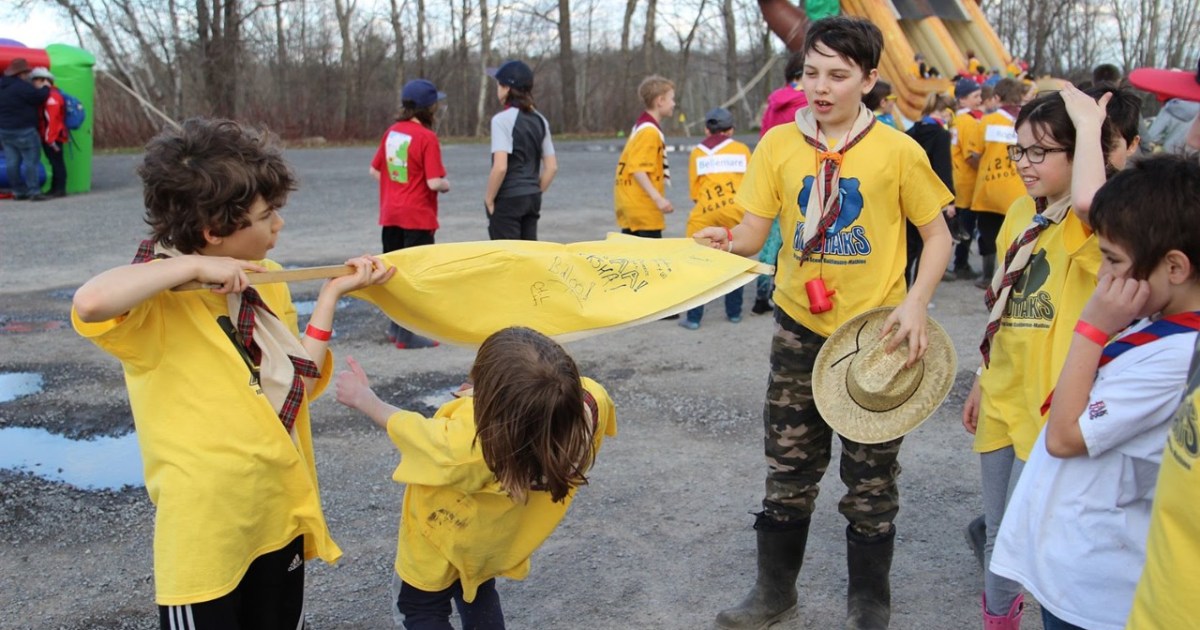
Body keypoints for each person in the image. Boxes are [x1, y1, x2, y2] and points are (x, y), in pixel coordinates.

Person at [71, 117, 395, 629]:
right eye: (267, 216)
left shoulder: (268, 281)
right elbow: (90, 302)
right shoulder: (155, 305)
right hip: (206, 537)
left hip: (277, 510)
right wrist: (192, 270)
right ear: (214, 232)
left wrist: (331, 296)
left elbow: (299, 385)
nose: (278, 226)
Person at [696, 16, 953, 629]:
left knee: (870, 479)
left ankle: (868, 606)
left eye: (838, 75)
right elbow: (756, 235)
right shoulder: (779, 146)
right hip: (797, 329)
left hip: (876, 339)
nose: (821, 87)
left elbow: (938, 237)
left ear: (868, 79)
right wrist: (723, 241)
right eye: (812, 72)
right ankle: (774, 594)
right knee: (788, 467)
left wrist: (915, 302)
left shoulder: (897, 149)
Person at [991, 154, 1200, 630]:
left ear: (1174, 266)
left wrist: (1091, 327)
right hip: (1073, 565)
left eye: (1113, 261)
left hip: (1098, 588)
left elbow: (1064, 437)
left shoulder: (1177, 357)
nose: (1103, 277)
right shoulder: (1153, 322)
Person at [333, 326, 617, 629]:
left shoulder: (468, 444)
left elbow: (414, 431)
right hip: (491, 541)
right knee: (478, 593)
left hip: (439, 543)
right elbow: (546, 388)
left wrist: (366, 399)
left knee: (418, 610)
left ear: (491, 402)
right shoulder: (588, 407)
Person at [961, 86, 1119, 629]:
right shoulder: (1016, 217)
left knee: (1044, 539)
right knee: (1000, 534)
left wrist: (1088, 124)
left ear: (1077, 157)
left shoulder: (1090, 227)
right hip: (1005, 396)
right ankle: (1000, 619)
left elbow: (1089, 201)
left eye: (1040, 152)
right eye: (1018, 150)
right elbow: (1002, 311)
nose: (1024, 164)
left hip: (1053, 407)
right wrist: (983, 378)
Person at [370, 79, 449, 350]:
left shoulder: (392, 133)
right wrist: (446, 184)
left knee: (393, 274)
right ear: (428, 108)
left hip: (391, 214)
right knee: (417, 277)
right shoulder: (427, 138)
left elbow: (375, 170)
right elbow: (433, 182)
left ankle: (396, 328)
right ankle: (409, 334)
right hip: (417, 216)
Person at [680, 107, 752, 330]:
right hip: (735, 213)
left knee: (700, 265)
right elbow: (751, 185)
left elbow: (694, 193)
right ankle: (734, 313)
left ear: (706, 130)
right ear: (730, 131)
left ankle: (693, 318)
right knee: (735, 260)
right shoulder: (741, 149)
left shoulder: (697, 152)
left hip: (705, 214)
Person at [755, 53, 809, 316]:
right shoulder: (806, 103)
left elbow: (764, 137)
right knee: (794, 236)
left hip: (770, 173)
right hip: (797, 176)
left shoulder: (774, 102)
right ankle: (786, 293)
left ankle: (761, 293)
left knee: (769, 237)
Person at [484, 60, 557, 241]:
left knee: (506, 258)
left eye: (498, 85)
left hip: (508, 197)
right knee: (528, 256)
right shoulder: (540, 120)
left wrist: (489, 198)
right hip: (531, 197)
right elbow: (551, 167)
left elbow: (500, 167)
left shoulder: (501, 120)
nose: (497, 90)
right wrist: (534, 190)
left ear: (507, 88)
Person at [970, 78, 1028, 289]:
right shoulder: (1027, 120)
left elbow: (974, 154)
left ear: (996, 97)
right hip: (1019, 189)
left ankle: (987, 276)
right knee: (1018, 234)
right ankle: (1015, 277)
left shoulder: (987, 121)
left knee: (987, 233)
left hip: (990, 188)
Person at [613, 75, 676, 238]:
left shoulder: (640, 127)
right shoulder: (649, 132)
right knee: (650, 260)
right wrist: (658, 199)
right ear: (660, 100)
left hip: (632, 205)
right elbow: (639, 169)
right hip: (643, 208)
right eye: (671, 99)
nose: (674, 104)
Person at [905, 92, 957, 287]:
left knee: (908, 247)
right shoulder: (942, 135)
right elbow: (943, 168)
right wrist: (950, 201)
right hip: (931, 198)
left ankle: (903, 290)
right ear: (946, 112)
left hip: (908, 195)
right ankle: (919, 292)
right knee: (928, 246)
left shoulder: (910, 131)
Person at [949, 78, 985, 281]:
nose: (979, 100)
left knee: (961, 223)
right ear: (962, 99)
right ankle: (960, 263)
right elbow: (971, 155)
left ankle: (959, 262)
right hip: (967, 181)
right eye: (975, 96)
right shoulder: (969, 122)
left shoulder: (956, 119)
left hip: (958, 178)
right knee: (965, 225)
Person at [0, 58, 49, 201]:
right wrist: (45, 87)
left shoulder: (2, 87)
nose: (28, 75)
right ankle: (34, 191)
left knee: (12, 162)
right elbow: (39, 97)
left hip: (4, 130)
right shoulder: (23, 87)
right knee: (30, 161)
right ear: (21, 74)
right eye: (27, 72)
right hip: (24, 130)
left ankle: (18, 191)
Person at [29, 67, 67, 198]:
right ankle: (55, 188)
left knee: (57, 162)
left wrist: (49, 138)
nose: (33, 84)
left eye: (34, 81)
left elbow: (52, 120)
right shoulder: (52, 95)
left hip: (53, 136)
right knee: (54, 161)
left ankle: (59, 189)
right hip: (51, 135)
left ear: (43, 80)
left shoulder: (52, 97)